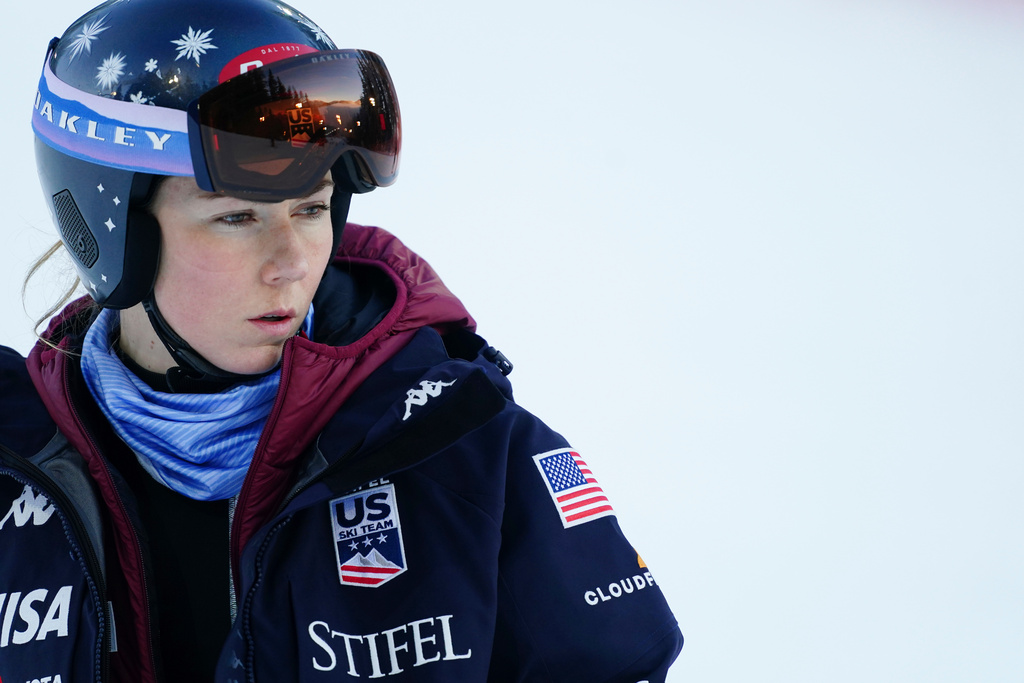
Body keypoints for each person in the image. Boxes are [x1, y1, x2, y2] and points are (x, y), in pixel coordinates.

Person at [0, 0, 683, 680]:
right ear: (110, 231)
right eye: (237, 217)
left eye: (312, 208)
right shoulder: (12, 464)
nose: (292, 263)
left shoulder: (466, 451)